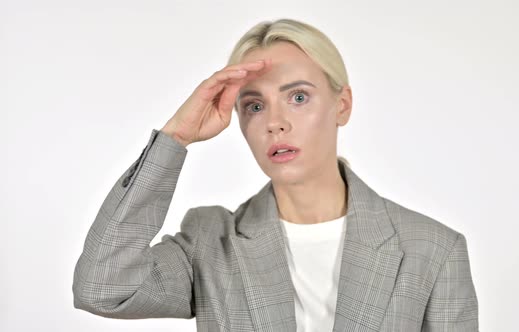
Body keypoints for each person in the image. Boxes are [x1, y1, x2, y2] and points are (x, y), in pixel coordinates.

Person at [72, 18, 479, 331]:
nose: (275, 122)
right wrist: (175, 138)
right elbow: (103, 287)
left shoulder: (432, 251)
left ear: (342, 105)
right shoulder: (211, 243)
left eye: (298, 97)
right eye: (253, 105)